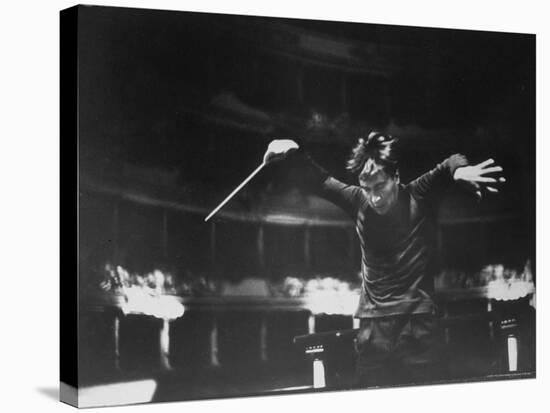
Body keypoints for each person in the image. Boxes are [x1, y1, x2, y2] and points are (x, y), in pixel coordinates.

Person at [263, 132, 505, 387]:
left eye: (380, 186)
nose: (374, 197)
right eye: (367, 188)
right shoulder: (358, 201)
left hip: (418, 327)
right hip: (373, 331)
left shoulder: (417, 195)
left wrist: (459, 172)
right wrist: (290, 150)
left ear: (396, 177)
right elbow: (318, 179)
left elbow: (451, 162)